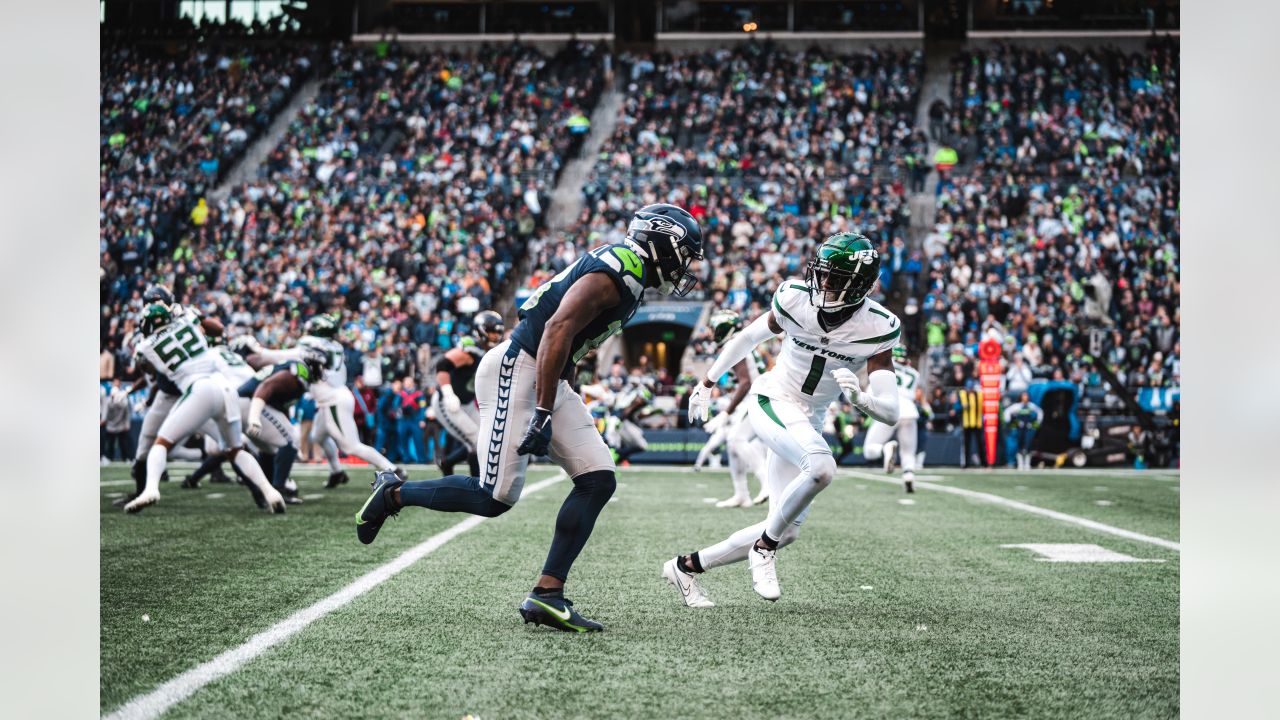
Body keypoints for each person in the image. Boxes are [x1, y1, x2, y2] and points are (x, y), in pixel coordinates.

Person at [355, 203, 704, 632]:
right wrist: (543, 410)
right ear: (661, 243)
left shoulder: (626, 271)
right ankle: (393, 494)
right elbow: (556, 327)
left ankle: (547, 595)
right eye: (684, 252)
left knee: (598, 477)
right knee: (494, 497)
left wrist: (562, 391)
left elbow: (569, 338)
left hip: (545, 373)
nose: (685, 265)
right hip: (519, 366)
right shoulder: (621, 268)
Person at [666, 233, 901, 607]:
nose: (823, 284)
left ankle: (685, 567)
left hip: (811, 418)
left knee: (786, 527)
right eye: (822, 274)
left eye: (835, 278)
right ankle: (764, 548)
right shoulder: (794, 297)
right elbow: (748, 337)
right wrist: (708, 381)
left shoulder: (878, 326)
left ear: (859, 286)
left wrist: (862, 398)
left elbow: (891, 411)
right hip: (774, 398)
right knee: (822, 468)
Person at [124, 299, 285, 514]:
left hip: (199, 388)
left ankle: (151, 488)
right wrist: (192, 314)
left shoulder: (144, 346)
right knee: (235, 450)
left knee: (160, 444)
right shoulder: (187, 319)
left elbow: (148, 368)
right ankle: (269, 491)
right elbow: (216, 328)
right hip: (226, 388)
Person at [247, 315, 405, 488]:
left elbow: (285, 355)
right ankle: (337, 472)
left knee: (351, 446)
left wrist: (259, 350)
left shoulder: (313, 343)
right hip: (333, 397)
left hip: (333, 400)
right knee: (318, 436)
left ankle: (392, 469)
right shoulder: (334, 346)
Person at [702, 308, 768, 508]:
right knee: (733, 444)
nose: (712, 333)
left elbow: (745, 382)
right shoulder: (741, 341)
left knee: (736, 439)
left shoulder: (735, 344)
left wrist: (725, 412)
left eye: (715, 328)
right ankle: (741, 494)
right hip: (756, 396)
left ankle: (767, 482)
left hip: (757, 396)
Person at [430, 311, 506, 477]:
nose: (496, 336)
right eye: (493, 331)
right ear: (481, 331)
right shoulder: (471, 349)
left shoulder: (489, 351)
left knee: (484, 440)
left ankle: (448, 463)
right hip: (448, 402)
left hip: (468, 402)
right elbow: (442, 366)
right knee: (478, 441)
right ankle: (476, 484)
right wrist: (448, 394)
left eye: (498, 332)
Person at [861, 343, 922, 493]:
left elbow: (872, 391)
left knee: (869, 449)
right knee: (908, 451)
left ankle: (884, 450)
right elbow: (914, 395)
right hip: (910, 411)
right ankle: (908, 475)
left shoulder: (885, 365)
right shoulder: (915, 373)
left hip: (890, 409)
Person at [1003, 391, 1043, 470]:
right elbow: (1007, 412)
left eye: (1026, 396)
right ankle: (1020, 464)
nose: (1025, 397)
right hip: (1019, 429)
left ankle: (1027, 464)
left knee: (1027, 446)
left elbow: (1040, 412)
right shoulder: (1017, 406)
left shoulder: (1031, 406)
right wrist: (1010, 422)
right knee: (1019, 446)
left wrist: (1036, 424)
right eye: (1023, 396)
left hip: (1028, 429)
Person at [101, 379, 133, 461]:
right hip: (111, 426)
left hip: (121, 426)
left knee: (124, 444)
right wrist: (104, 421)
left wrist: (126, 425)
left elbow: (126, 413)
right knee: (110, 444)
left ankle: (126, 458)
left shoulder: (124, 401)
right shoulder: (107, 401)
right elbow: (105, 414)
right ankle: (108, 458)